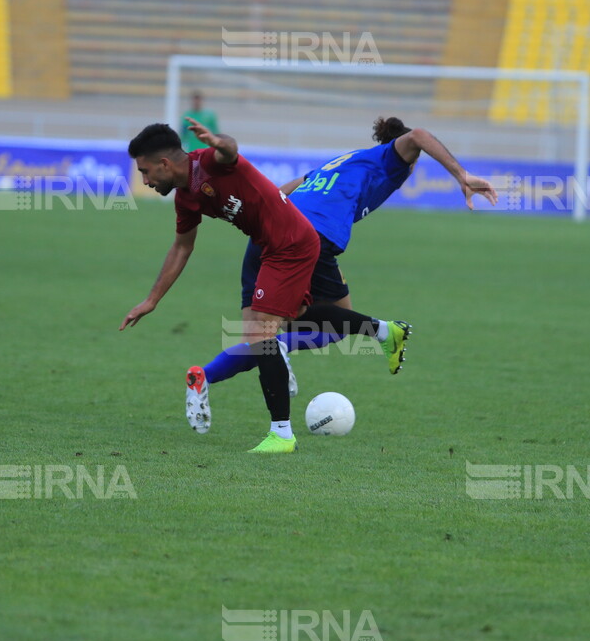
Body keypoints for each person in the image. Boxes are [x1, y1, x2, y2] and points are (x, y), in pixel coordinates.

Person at [120, 121, 397, 453]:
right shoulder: (186, 199)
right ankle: (384, 331)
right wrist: (152, 300)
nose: (146, 181)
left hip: (291, 241)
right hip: (267, 247)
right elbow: (182, 247)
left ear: (165, 163)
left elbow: (230, 151)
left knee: (262, 337)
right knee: (292, 322)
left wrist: (218, 141)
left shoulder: (207, 162)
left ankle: (281, 434)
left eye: (146, 172)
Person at [193, 116, 499, 405]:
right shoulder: (390, 159)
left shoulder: (347, 161)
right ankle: (372, 333)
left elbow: (283, 190)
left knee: (258, 337)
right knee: (338, 324)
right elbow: (419, 135)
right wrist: (463, 175)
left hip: (267, 234)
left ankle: (205, 375)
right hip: (309, 234)